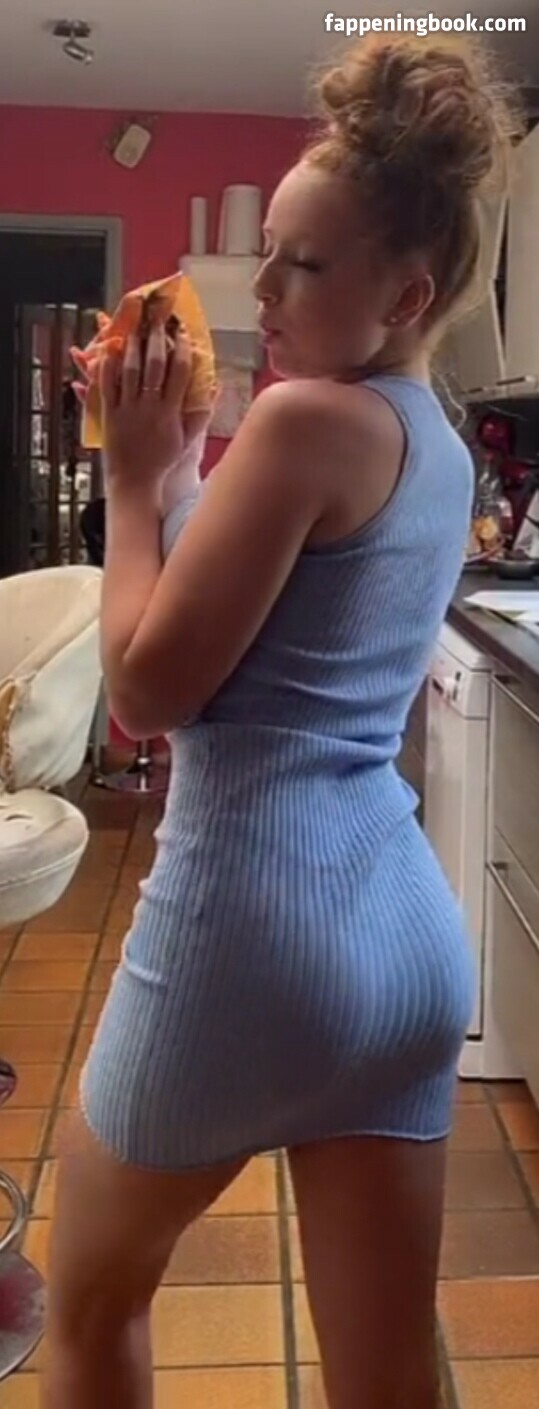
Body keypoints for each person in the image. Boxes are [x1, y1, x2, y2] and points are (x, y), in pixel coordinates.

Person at [41, 32, 521, 1409]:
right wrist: (179, 456)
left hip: (247, 928)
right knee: (386, 1366)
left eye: (302, 265)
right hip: (397, 941)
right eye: (268, 255)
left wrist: (135, 480)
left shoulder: (303, 422)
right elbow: (251, 614)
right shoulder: (434, 443)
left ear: (407, 292)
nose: (262, 290)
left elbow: (148, 694)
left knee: (92, 1306)